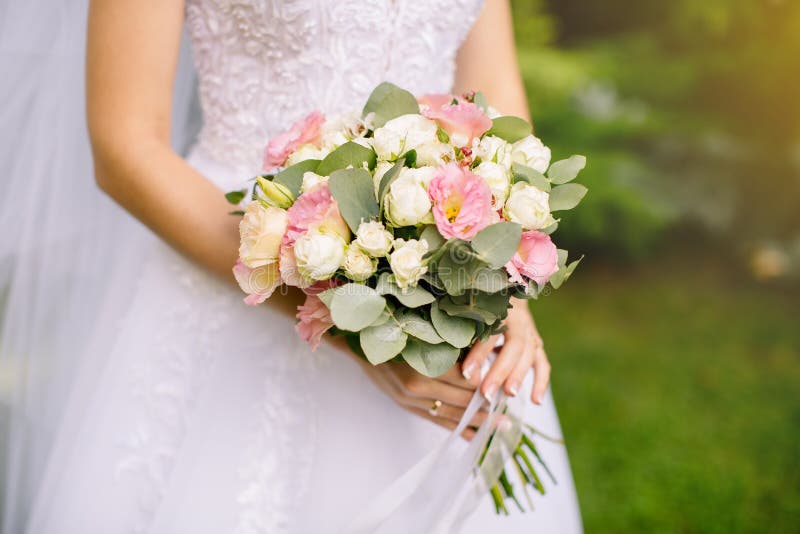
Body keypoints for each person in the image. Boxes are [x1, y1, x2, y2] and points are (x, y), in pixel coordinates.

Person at [1, 0, 582, 532]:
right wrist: (356, 328)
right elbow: (124, 147)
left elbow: (495, 99)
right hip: (229, 271)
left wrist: (502, 286)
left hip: (447, 288)